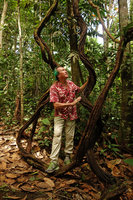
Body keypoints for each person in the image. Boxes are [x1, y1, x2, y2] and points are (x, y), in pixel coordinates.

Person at [45, 66, 87, 173]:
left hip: (71, 114)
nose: (65, 71)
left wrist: (88, 81)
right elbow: (55, 105)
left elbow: (79, 89)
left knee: (70, 135)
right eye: (63, 70)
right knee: (57, 135)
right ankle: (54, 161)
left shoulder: (71, 84)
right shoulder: (54, 87)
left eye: (65, 69)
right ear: (58, 75)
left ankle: (67, 156)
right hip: (59, 115)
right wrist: (72, 103)